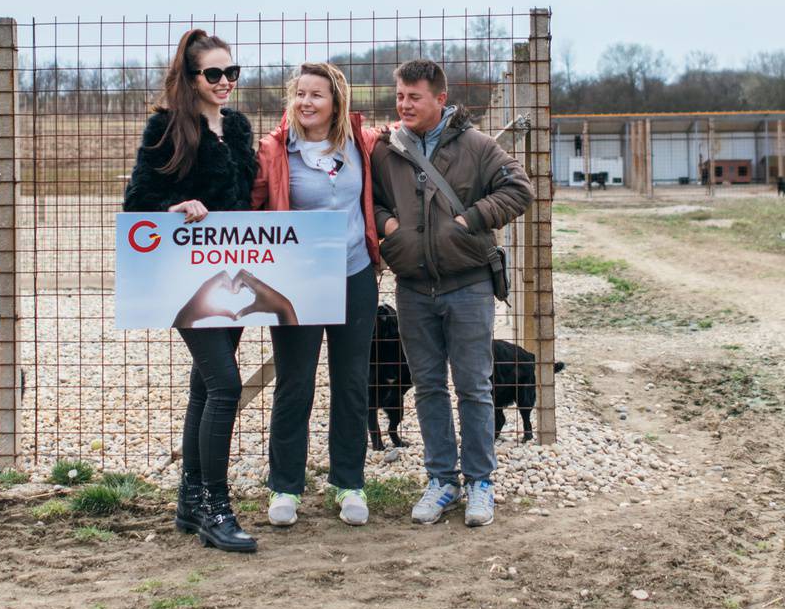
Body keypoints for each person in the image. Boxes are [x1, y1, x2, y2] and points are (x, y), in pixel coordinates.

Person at [371, 59, 533, 528]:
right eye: (399, 96)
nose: (403, 105)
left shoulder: (477, 146)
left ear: (440, 99)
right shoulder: (387, 151)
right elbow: (374, 199)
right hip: (414, 287)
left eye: (413, 97)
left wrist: (471, 219)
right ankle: (441, 479)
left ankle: (481, 481)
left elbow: (518, 189)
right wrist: (390, 226)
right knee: (427, 388)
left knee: (474, 387)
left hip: (468, 284)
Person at [122, 29, 260, 553]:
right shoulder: (167, 127)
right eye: (214, 74)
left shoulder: (240, 127)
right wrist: (175, 207)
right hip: (184, 272)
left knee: (206, 387)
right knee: (226, 385)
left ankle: (188, 499)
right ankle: (214, 507)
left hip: (234, 270)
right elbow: (138, 200)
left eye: (232, 73)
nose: (225, 83)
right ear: (191, 77)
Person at [251, 62, 382, 529]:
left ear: (336, 103)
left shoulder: (361, 144)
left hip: (354, 273)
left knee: (351, 382)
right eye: (300, 93)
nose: (306, 102)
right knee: (295, 382)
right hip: (298, 281)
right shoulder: (274, 150)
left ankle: (349, 483)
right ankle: (285, 487)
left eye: (316, 95)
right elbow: (253, 206)